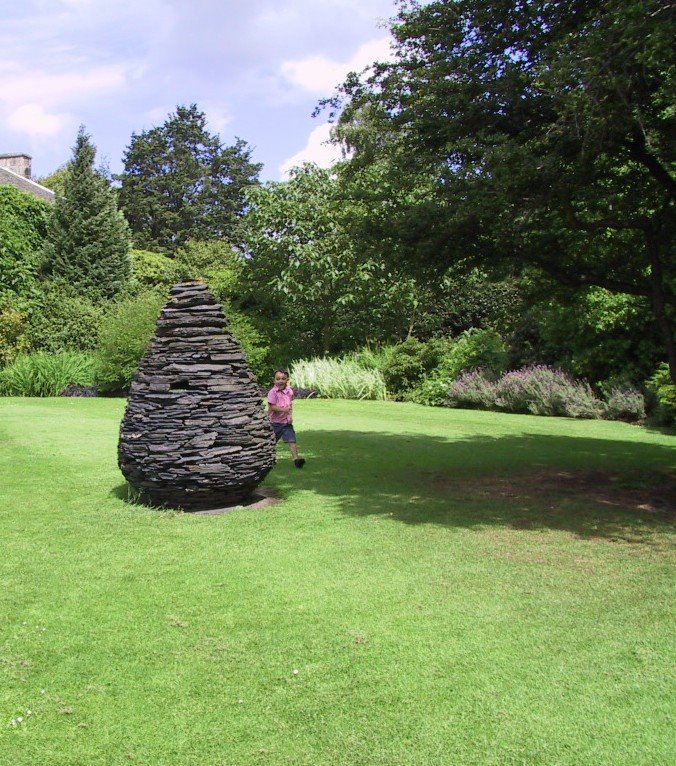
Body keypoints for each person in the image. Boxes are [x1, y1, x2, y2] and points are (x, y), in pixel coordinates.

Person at [267, 368, 305, 468]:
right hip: (274, 423)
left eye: (283, 379)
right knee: (271, 443)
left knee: (292, 440)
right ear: (274, 381)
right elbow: (272, 407)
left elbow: (290, 404)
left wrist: (289, 415)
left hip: (286, 423)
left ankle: (296, 460)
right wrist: (284, 410)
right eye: (278, 379)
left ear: (287, 380)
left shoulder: (289, 392)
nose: (280, 381)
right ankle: (268, 460)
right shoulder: (272, 392)